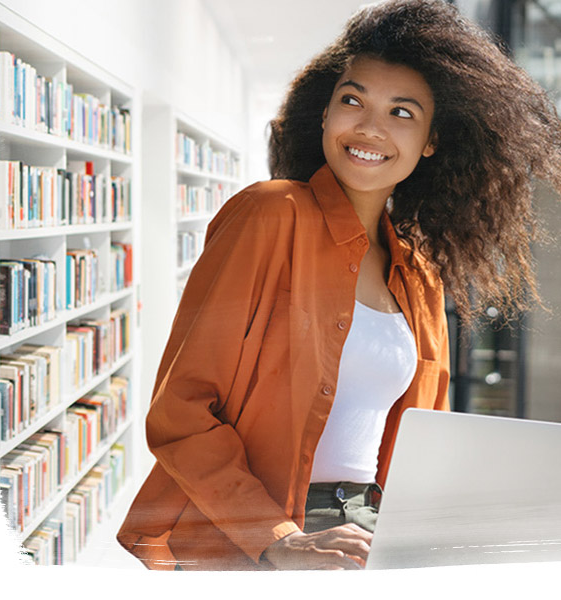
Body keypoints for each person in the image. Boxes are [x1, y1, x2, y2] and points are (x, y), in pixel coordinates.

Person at [117, 0, 561, 571]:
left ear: (430, 141)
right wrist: (277, 537)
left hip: (375, 530)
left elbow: (427, 436)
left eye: (402, 112)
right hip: (262, 531)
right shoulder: (269, 214)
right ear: (324, 114)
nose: (370, 128)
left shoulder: (419, 272)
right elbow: (181, 412)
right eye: (352, 100)